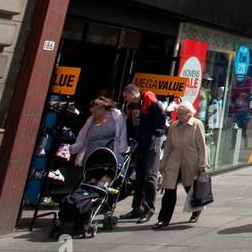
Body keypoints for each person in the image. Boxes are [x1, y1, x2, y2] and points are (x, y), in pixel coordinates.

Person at [153, 102, 207, 229]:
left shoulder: (196, 125)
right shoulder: (174, 126)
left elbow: (202, 146)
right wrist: (163, 163)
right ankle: (163, 219)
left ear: (189, 114)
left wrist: (202, 163)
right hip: (174, 161)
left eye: (182, 114)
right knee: (169, 191)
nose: (179, 116)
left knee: (190, 188)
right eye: (178, 114)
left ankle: (196, 210)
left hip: (190, 161)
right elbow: (168, 146)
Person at [120, 84, 167, 223]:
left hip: (150, 142)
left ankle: (148, 209)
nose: (125, 99)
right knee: (139, 176)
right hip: (139, 142)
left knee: (150, 176)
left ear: (133, 93)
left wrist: (155, 134)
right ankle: (137, 208)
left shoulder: (149, 100)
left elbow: (161, 117)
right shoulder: (131, 107)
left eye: (126, 96)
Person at [72, 98, 127, 166]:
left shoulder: (117, 117)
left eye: (94, 112)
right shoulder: (90, 120)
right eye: (91, 112)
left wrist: (122, 153)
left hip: (108, 159)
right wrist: (73, 147)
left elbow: (122, 137)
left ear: (102, 109)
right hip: (89, 159)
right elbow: (81, 138)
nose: (93, 114)